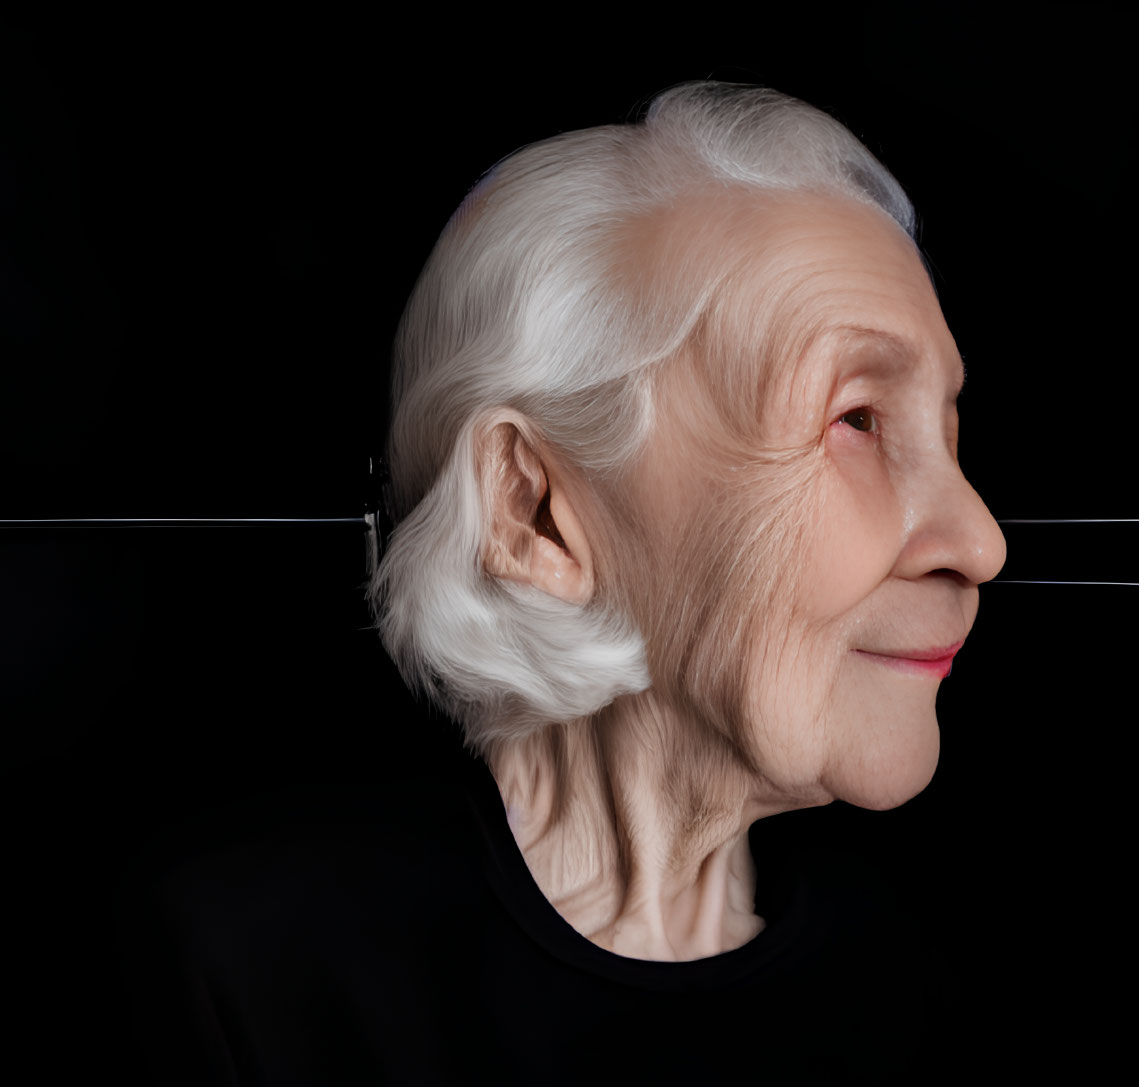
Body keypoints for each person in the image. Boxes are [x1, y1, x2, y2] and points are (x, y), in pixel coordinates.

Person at [117, 79, 1005, 1084]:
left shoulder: (939, 991)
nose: (980, 541)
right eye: (857, 421)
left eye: (949, 433)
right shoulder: (245, 978)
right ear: (530, 510)